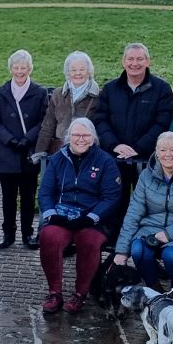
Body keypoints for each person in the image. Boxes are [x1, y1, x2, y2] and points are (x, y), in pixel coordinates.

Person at [37, 118, 122, 314]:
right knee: (48, 236)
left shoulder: (105, 161)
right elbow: (45, 192)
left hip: (92, 219)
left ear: (93, 139)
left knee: (89, 241)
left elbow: (111, 197)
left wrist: (91, 217)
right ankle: (55, 293)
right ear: (68, 138)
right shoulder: (57, 159)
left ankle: (80, 294)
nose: (81, 139)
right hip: (63, 216)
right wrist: (52, 215)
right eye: (76, 135)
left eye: (86, 135)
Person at [113, 131, 173, 293]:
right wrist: (122, 251)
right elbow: (133, 213)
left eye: (172, 150)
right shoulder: (146, 176)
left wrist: (169, 234)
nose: (167, 155)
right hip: (150, 228)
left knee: (172, 256)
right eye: (162, 150)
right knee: (138, 250)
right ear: (156, 153)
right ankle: (153, 288)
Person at [0, 49, 48, 249]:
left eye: (23, 67)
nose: (20, 71)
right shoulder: (0, 93)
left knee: (28, 196)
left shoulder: (40, 93)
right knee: (8, 197)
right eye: (16, 67)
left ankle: (27, 233)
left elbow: (43, 120)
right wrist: (10, 140)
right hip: (7, 152)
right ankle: (8, 234)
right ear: (11, 68)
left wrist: (27, 139)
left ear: (30, 68)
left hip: (28, 152)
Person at [92, 42, 173, 165]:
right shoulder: (110, 89)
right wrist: (114, 145)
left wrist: (138, 148)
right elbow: (100, 120)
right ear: (123, 62)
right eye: (130, 59)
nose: (134, 64)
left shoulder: (162, 89)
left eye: (140, 59)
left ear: (148, 62)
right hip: (113, 156)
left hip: (149, 158)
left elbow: (162, 123)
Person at [34, 51, 99, 160]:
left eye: (82, 69)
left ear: (89, 71)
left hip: (89, 153)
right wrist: (40, 151)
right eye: (73, 70)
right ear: (68, 72)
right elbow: (48, 126)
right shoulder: (58, 94)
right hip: (60, 152)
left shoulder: (99, 96)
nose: (78, 73)